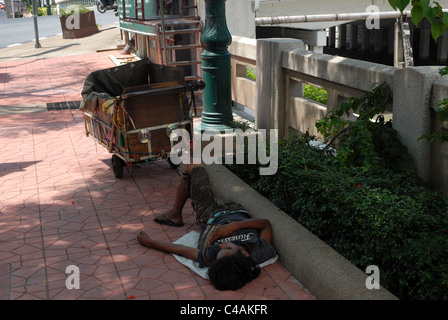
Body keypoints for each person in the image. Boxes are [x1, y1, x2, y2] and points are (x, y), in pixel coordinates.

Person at [137, 164, 278, 291]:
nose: (222, 246)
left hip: (210, 215)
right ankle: (176, 210)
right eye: (228, 248)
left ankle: (176, 213)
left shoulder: (214, 256)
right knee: (193, 171)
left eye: (219, 251)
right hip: (235, 210)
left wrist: (149, 242)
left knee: (195, 168)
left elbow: (179, 249)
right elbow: (265, 224)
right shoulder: (259, 251)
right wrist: (234, 226)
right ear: (245, 254)